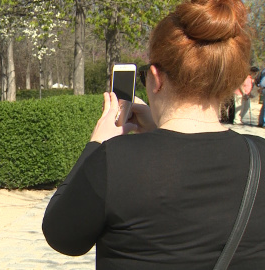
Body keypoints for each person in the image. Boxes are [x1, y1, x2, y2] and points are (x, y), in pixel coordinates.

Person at [42, 0, 265, 269]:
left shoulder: (115, 161)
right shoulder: (260, 156)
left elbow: (62, 236)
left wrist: (97, 144)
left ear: (156, 78)